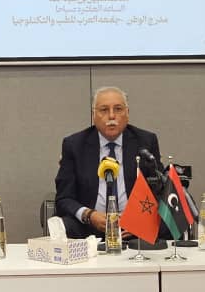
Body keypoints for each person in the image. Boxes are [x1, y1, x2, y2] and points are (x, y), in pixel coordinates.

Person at [54, 87, 162, 239]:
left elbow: (158, 191)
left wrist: (139, 220)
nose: (111, 116)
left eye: (118, 109)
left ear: (127, 113)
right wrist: (89, 215)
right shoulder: (74, 145)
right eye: (104, 110)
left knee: (165, 223)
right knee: (65, 226)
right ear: (93, 115)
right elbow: (63, 198)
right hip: (89, 227)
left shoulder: (145, 142)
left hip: (133, 227)